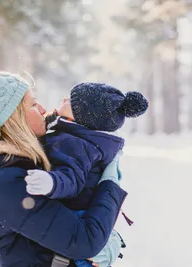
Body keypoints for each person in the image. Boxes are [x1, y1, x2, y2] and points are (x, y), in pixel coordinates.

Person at [0, 72, 126, 267]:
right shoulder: (5, 182)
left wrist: (108, 236)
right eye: (34, 105)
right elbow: (84, 242)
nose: (44, 109)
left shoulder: (11, 166)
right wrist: (109, 185)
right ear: (14, 118)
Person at [23, 83, 148, 267]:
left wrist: (51, 183)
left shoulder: (76, 144)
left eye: (71, 100)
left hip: (78, 216)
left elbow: (71, 177)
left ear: (83, 117)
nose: (64, 99)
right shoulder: (72, 134)